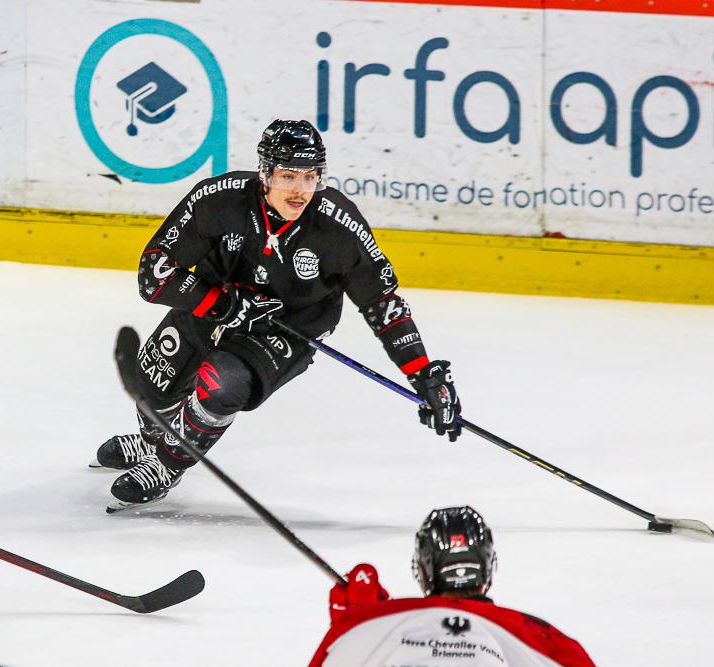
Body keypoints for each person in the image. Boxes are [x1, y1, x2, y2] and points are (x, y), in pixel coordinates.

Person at [90, 119, 462, 511]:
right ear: (265, 173)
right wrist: (222, 305)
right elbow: (154, 273)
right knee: (152, 377)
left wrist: (422, 372)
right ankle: (154, 439)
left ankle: (167, 463)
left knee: (220, 383)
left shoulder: (338, 226)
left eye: (310, 176)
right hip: (218, 303)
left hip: (286, 329)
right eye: (288, 176)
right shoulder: (220, 200)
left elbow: (381, 302)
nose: (300, 190)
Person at [309, 507, 595, 667]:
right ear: (488, 569)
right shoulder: (539, 637)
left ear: (423, 572)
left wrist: (360, 618)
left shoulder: (369, 628)